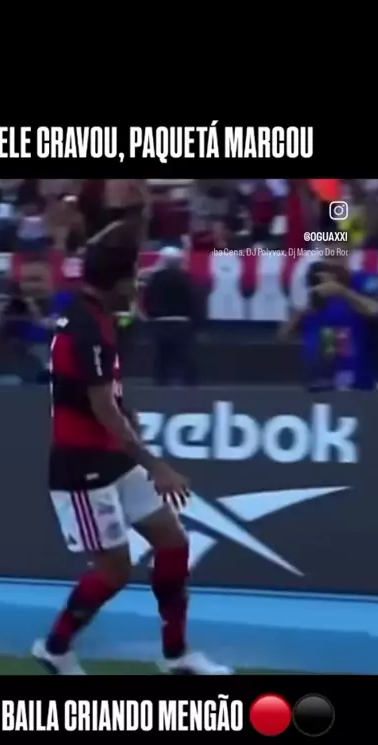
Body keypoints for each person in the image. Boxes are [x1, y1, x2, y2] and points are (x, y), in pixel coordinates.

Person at [32, 223, 230, 676]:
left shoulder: (96, 316)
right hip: (83, 471)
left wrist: (129, 414)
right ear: (117, 282)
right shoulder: (86, 329)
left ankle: (176, 655)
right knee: (114, 570)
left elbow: (107, 397)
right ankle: (55, 647)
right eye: (134, 278)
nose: (138, 286)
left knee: (172, 542)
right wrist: (156, 465)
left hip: (114, 460)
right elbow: (103, 410)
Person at [280, 248, 378, 390]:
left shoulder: (365, 280)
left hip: (356, 377)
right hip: (318, 377)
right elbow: (284, 335)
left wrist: (342, 291)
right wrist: (306, 304)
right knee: (328, 335)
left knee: (335, 334)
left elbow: (374, 310)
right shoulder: (313, 289)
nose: (332, 263)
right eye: (328, 257)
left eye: (336, 256)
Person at [144, 246, 200, 385]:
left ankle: (161, 382)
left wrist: (151, 315)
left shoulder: (155, 278)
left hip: (160, 321)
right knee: (185, 355)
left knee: (162, 355)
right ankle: (190, 382)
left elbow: (148, 299)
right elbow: (193, 299)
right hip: (182, 322)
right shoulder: (186, 278)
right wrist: (194, 319)